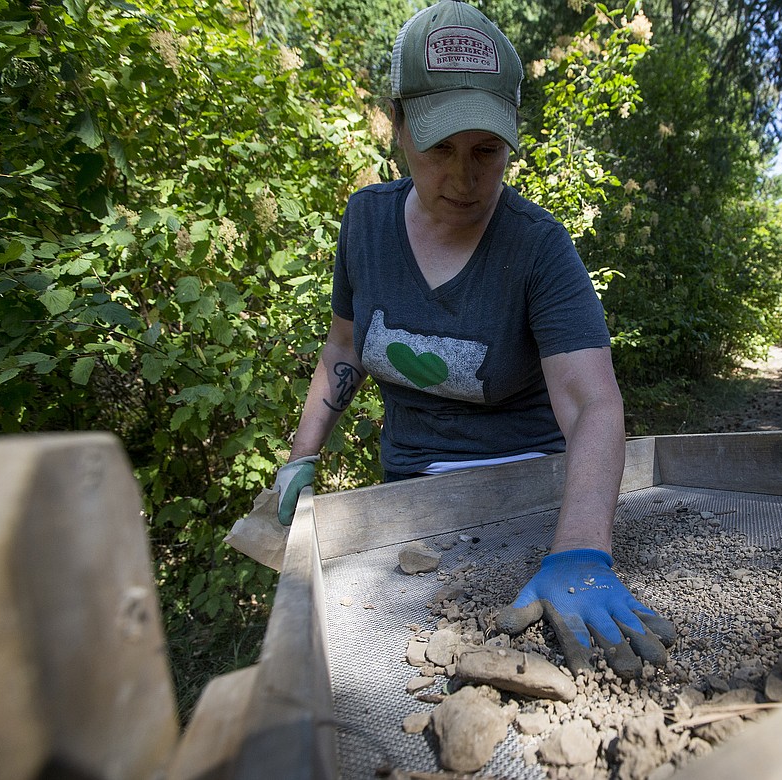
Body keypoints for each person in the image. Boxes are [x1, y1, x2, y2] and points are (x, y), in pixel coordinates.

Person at [272, 0, 674, 678]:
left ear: (512, 136)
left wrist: (579, 548)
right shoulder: (365, 225)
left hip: (531, 489)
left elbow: (591, 404)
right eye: (438, 149)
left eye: (486, 151)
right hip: (406, 502)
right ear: (396, 126)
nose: (462, 179)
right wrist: (301, 457)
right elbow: (344, 346)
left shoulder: (537, 248)